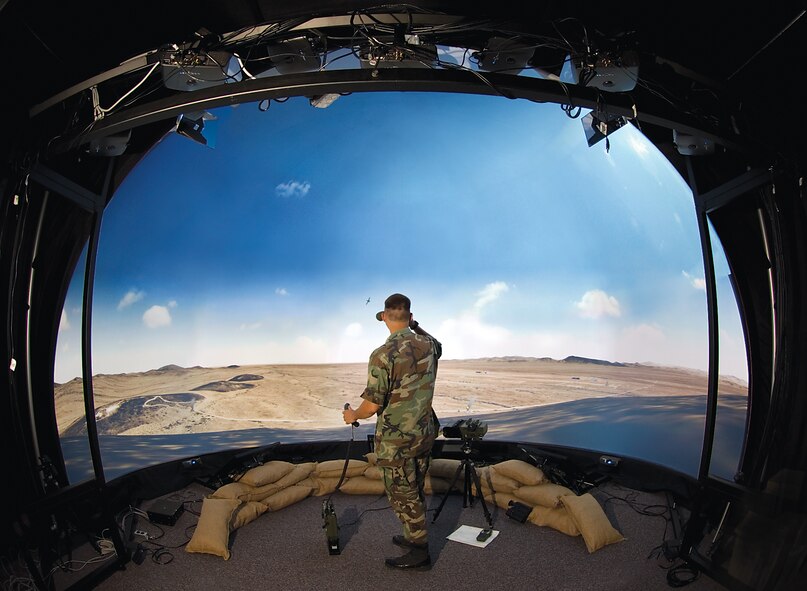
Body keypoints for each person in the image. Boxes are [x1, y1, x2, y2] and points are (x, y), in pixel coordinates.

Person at [343, 293, 442, 570]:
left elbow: (373, 404)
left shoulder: (382, 354)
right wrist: (416, 327)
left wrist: (353, 415)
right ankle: (413, 535)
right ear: (410, 317)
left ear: (385, 318)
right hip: (423, 433)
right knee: (415, 486)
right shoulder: (429, 345)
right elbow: (439, 345)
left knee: (402, 493)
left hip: (396, 439)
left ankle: (420, 550)